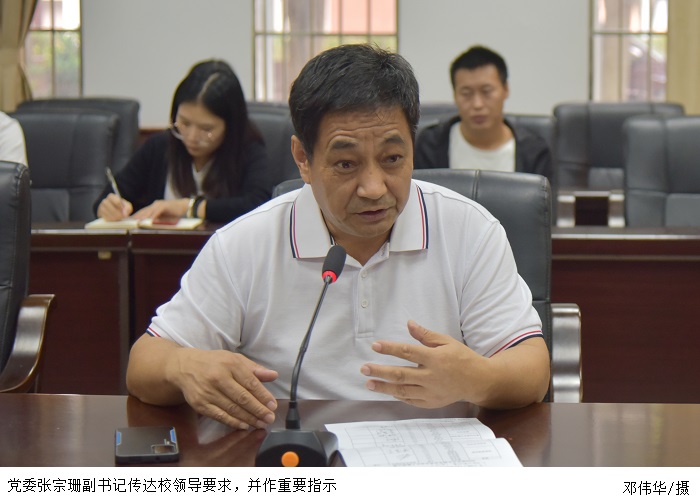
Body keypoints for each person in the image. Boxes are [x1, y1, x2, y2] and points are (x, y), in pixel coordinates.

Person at [126, 44, 550, 431]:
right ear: (303, 159)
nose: (374, 188)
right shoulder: (245, 243)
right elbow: (144, 364)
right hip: (301, 462)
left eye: (393, 158)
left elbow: (532, 368)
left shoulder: (470, 230)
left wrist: (477, 378)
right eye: (346, 164)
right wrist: (184, 366)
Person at [94, 60, 272, 224]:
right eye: (184, 123)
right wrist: (109, 207)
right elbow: (108, 197)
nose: (192, 137)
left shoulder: (249, 150)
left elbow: (258, 204)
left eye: (206, 129)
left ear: (231, 126)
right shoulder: (159, 147)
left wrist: (188, 207)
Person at [414, 45, 552, 182]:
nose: (477, 104)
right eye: (466, 93)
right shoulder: (430, 145)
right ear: (455, 95)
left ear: (506, 89)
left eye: (487, 91)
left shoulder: (534, 151)